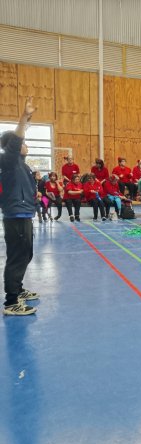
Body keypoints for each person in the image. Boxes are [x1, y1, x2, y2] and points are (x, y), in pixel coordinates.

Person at [1, 97, 38, 316]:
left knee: (26, 255)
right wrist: (23, 117)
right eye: (22, 142)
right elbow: (15, 142)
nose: (25, 144)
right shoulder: (8, 160)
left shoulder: (21, 166)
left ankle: (18, 289)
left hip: (25, 215)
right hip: (15, 216)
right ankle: (11, 302)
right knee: (17, 257)